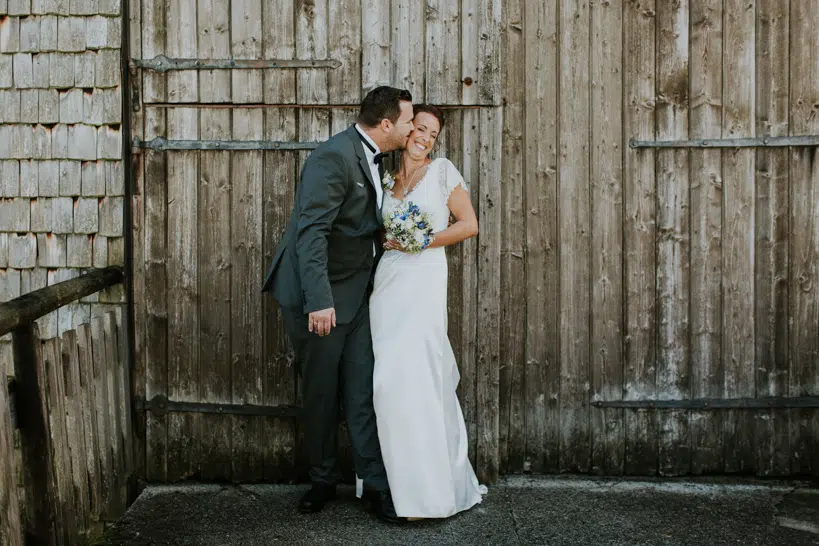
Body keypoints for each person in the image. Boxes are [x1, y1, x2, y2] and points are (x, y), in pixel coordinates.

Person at [261, 86, 414, 523]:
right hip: (321, 299)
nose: (409, 128)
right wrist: (320, 301)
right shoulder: (333, 157)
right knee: (323, 393)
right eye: (406, 121)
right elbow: (311, 234)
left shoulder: (375, 157)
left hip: (358, 294)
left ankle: (374, 485)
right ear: (386, 124)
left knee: (363, 389)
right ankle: (323, 480)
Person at [369, 104, 486, 519]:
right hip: (388, 285)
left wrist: (422, 241)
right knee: (387, 382)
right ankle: (393, 486)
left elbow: (469, 224)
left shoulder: (443, 172)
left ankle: (428, 494)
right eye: (420, 128)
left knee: (419, 378)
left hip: (423, 283)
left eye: (432, 134)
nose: (424, 138)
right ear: (406, 131)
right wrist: (390, 238)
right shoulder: (386, 174)